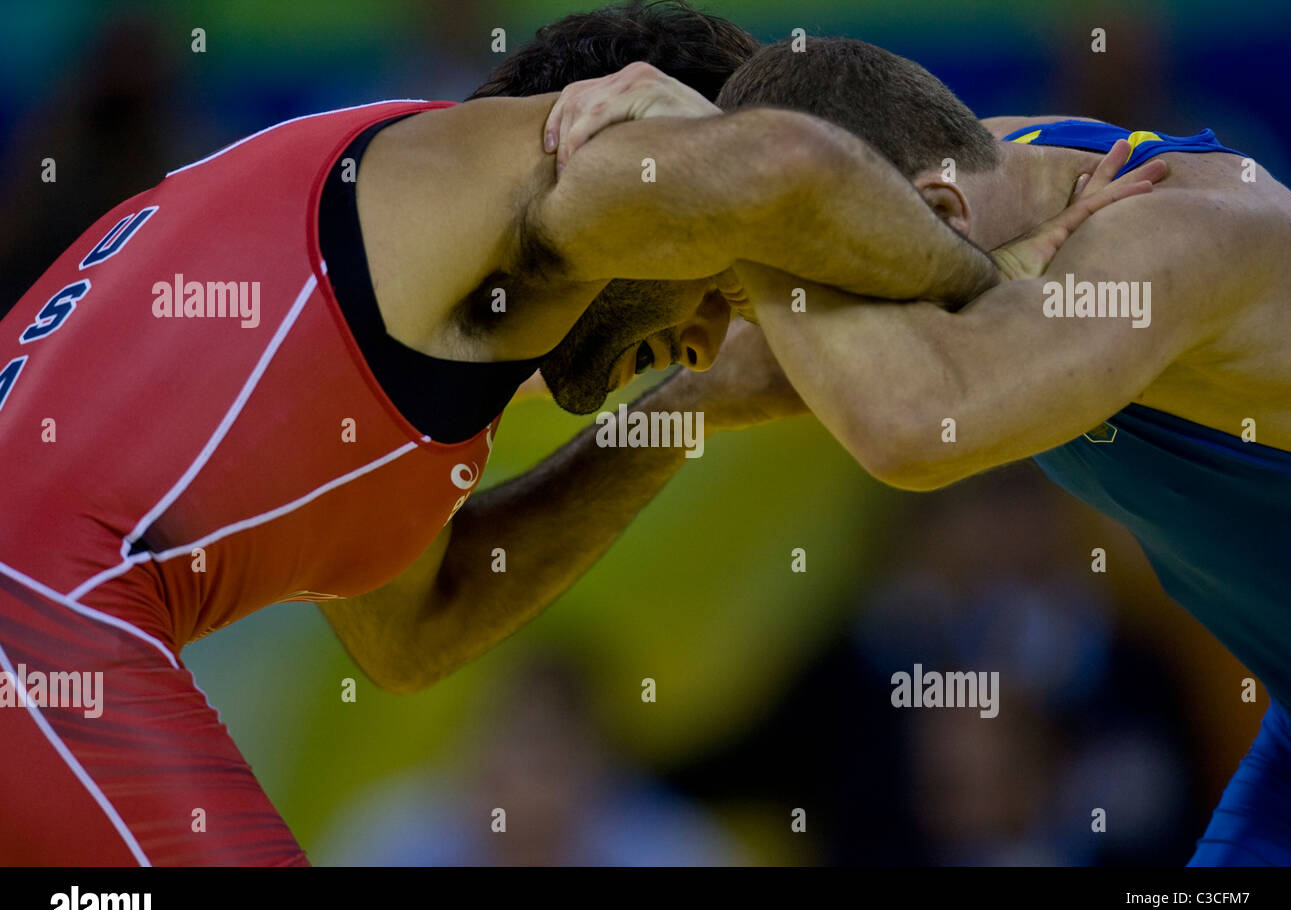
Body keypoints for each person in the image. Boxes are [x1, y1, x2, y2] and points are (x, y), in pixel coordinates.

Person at [1, 3, 1133, 865]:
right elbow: (780, 164)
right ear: (628, 123)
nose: (702, 339)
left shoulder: (397, 281)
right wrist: (986, 299)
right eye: (720, 291)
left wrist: (693, 412)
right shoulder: (531, 165)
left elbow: (412, 638)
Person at [554, 35, 1291, 865]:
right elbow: (748, 368)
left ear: (941, 218)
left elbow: (907, 431)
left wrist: (753, 199)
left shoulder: (1175, 233)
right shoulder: (981, 182)